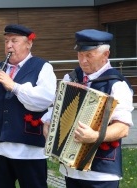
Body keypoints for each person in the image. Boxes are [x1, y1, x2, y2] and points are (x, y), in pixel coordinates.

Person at [0, 24, 57, 188]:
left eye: (14, 41)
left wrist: (14, 86)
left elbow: (45, 99)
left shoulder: (43, 67)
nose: (9, 46)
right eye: (6, 41)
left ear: (29, 43)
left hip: (29, 150)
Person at [43, 29, 134, 188]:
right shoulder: (71, 78)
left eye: (89, 55)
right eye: (80, 55)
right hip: (69, 169)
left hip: (100, 173)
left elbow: (123, 128)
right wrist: (48, 123)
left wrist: (95, 136)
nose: (83, 60)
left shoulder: (117, 84)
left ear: (106, 55)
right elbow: (58, 109)